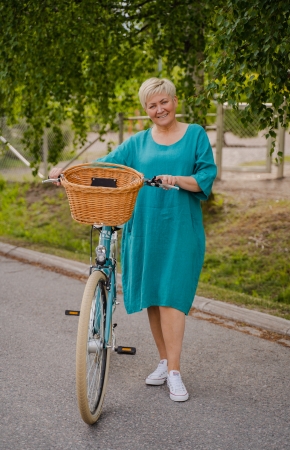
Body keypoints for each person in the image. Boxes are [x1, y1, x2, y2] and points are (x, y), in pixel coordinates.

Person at [50, 77, 217, 402]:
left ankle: (174, 372)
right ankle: (164, 361)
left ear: (174, 101)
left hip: (181, 230)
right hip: (143, 228)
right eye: (152, 105)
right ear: (146, 110)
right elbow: (103, 167)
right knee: (154, 298)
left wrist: (178, 179)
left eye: (164, 102)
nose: (159, 109)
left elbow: (206, 177)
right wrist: (66, 173)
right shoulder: (137, 143)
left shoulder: (195, 134)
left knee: (172, 299)